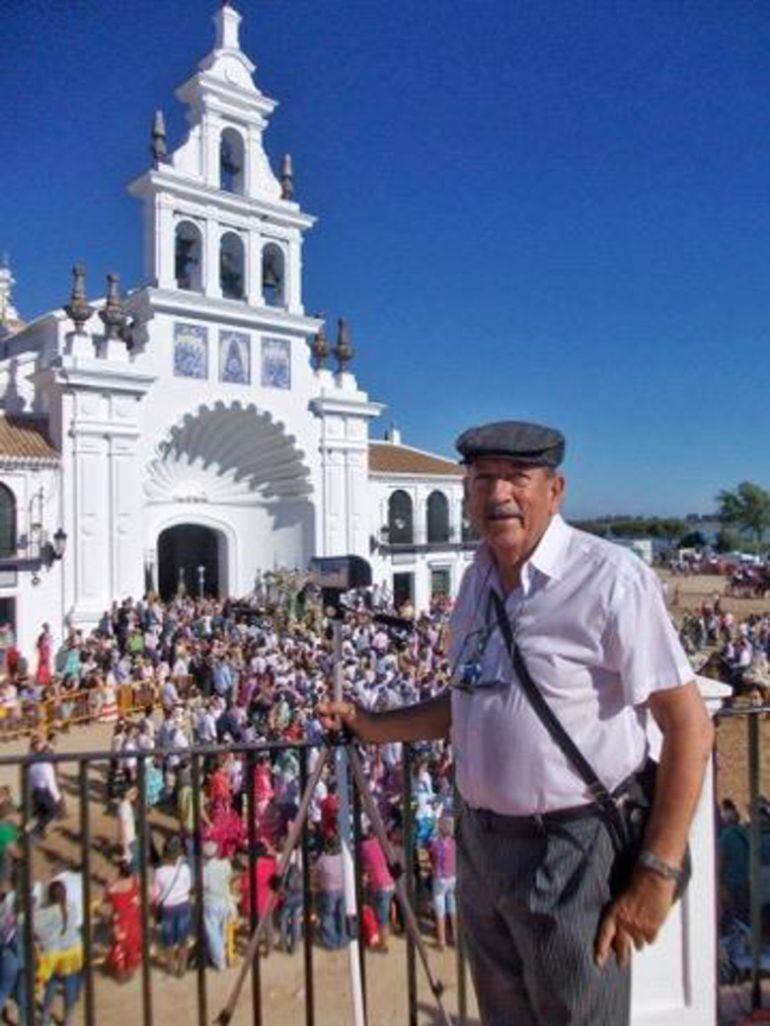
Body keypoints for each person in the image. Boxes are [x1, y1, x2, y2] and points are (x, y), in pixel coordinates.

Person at [320, 419, 714, 1026]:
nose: (498, 494)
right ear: (467, 493)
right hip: (480, 845)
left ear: (554, 489)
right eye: (483, 480)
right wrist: (372, 725)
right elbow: (469, 702)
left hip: (573, 849)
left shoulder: (609, 578)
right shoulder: (475, 580)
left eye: (516, 478)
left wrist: (656, 874)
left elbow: (689, 725)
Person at [152, 835, 192, 977]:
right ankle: (181, 968)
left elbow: (156, 895)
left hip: (167, 908)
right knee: (183, 940)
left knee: (167, 940)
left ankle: (169, 966)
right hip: (183, 905)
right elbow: (188, 886)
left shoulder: (159, 872)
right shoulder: (185, 869)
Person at [103, 860, 141, 981]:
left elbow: (106, 897)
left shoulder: (113, 887)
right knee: (133, 945)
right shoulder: (135, 882)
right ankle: (130, 971)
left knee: (119, 947)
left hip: (120, 921)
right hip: (133, 919)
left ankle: (119, 973)